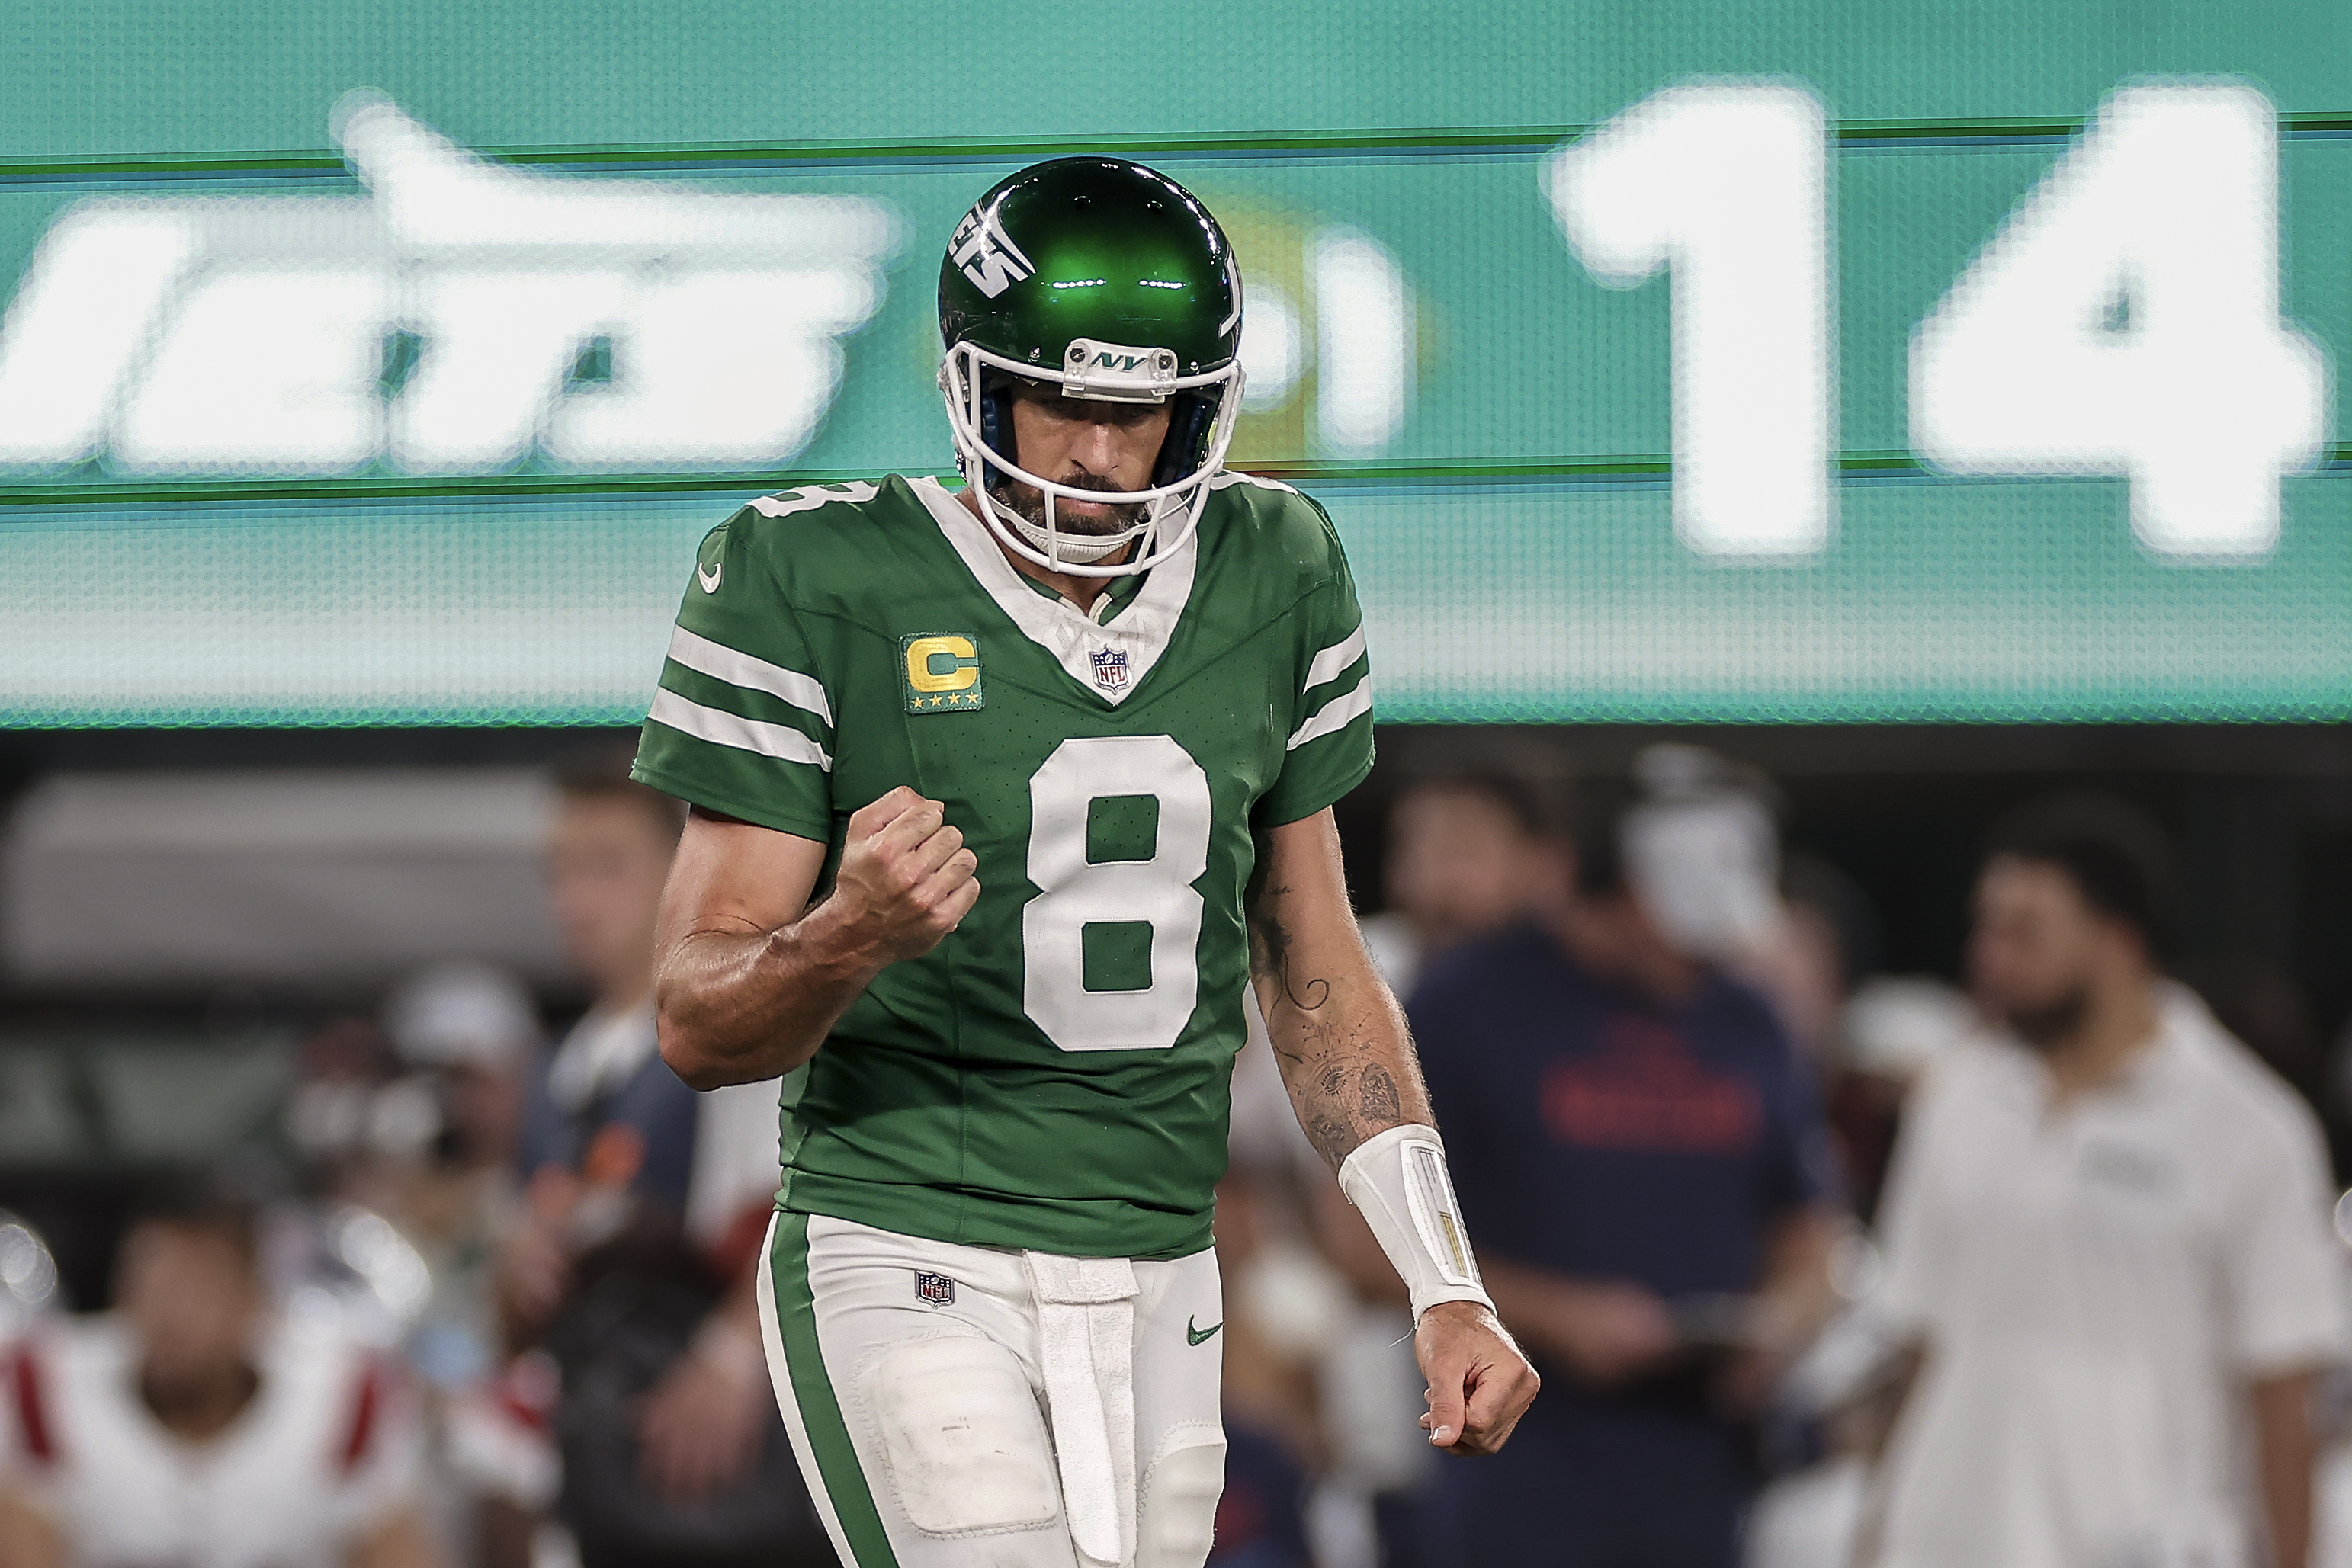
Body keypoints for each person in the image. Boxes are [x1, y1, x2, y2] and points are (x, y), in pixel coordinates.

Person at [628, 156, 1538, 1568]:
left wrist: (1444, 1278)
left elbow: (1313, 962)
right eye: (1065, 402)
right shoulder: (808, 577)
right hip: (907, 1234)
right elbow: (692, 1018)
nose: (1106, 455)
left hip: (1162, 1267)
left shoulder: (1278, 563)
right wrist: (848, 933)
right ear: (976, 386)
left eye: (1145, 409)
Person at [1861, 798, 2352, 1568]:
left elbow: (2282, 1392)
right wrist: (1874, 1526)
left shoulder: (2249, 1129)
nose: (1989, 957)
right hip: (1949, 1536)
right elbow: (1917, 1343)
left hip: (2138, 1542)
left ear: (2117, 942)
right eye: (1985, 927)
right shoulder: (1954, 1096)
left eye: (2022, 932)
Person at [1408, 779, 1843, 1568]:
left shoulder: (1748, 1018)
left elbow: (1808, 1229)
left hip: (1703, 1475)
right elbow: (1359, 1241)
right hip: (1515, 1465)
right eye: (1682, 931)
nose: (1700, 960)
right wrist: (1559, 1315)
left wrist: (1778, 1326)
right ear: (1613, 892)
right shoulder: (1461, 1006)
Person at [497, 757, 816, 1568]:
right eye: (558, 872)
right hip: (598, 1434)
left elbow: (795, 1208)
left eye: (605, 867)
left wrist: (734, 1353)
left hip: (716, 1440)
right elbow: (512, 1320)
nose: (575, 899)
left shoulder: (729, 1035)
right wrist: (516, 1272)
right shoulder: (554, 1067)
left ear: (681, 871)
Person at [0, 1187, 441, 1568]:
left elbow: (397, 1552)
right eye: (150, 1285)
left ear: (254, 1302)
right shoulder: (46, 1387)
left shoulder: (343, 1395)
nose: (170, 1315)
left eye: (197, 1291)